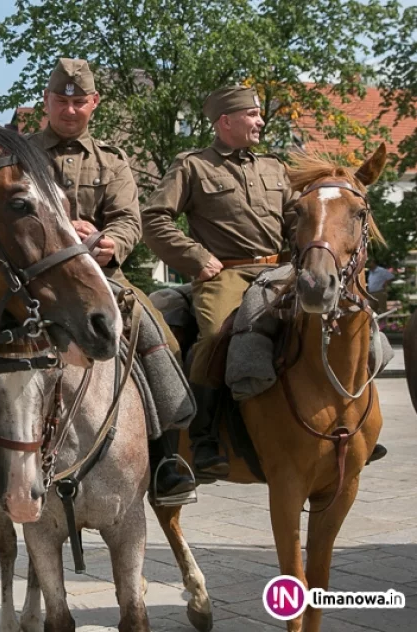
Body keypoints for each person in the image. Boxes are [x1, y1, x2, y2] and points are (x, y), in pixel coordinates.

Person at [142, 84, 385, 475]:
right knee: (217, 334)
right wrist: (196, 257)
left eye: (259, 114)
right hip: (226, 273)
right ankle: (203, 437)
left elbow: (299, 219)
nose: (260, 121)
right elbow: (154, 218)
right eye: (252, 115)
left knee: (348, 322)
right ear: (226, 121)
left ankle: (356, 422)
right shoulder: (192, 165)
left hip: (284, 270)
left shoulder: (273, 167)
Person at [26, 58, 195, 504]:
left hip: (101, 279)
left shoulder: (113, 161)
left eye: (79, 101)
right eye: (60, 100)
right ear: (46, 101)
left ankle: (165, 460)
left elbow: (128, 221)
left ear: (93, 103)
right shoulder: (19, 154)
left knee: (160, 339)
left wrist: (107, 242)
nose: (69, 109)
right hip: (31, 283)